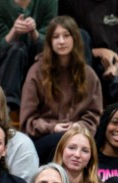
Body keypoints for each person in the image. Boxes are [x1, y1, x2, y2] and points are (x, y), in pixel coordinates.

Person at [20, 16, 103, 164]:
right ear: (50, 42)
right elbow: (27, 121)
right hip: (43, 139)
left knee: (73, 142)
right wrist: (52, 127)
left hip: (78, 137)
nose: (61, 41)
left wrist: (80, 126)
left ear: (75, 39)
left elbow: (94, 114)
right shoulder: (37, 71)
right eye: (56, 37)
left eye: (66, 35)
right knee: (61, 142)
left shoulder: (88, 74)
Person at [0, 0, 56, 111]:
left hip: (33, 62)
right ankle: (8, 105)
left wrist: (34, 33)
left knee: (38, 54)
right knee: (17, 48)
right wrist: (14, 32)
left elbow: (50, 44)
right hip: (2, 65)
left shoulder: (48, 2)